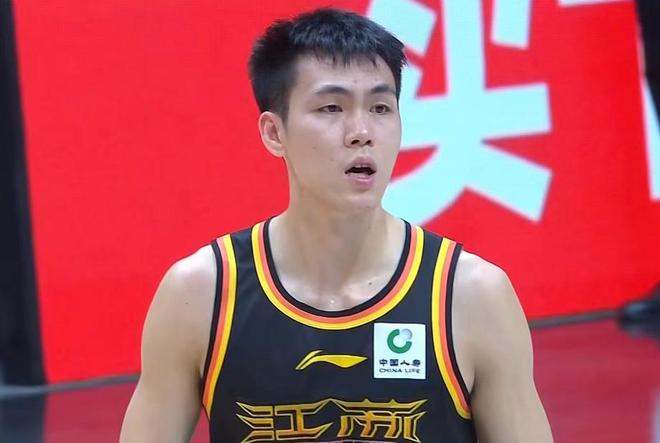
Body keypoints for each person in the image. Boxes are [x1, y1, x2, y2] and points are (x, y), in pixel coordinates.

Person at [120, 7, 553, 443]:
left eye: (381, 107)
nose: (362, 131)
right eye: (331, 107)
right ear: (274, 133)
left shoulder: (472, 296)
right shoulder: (201, 294)